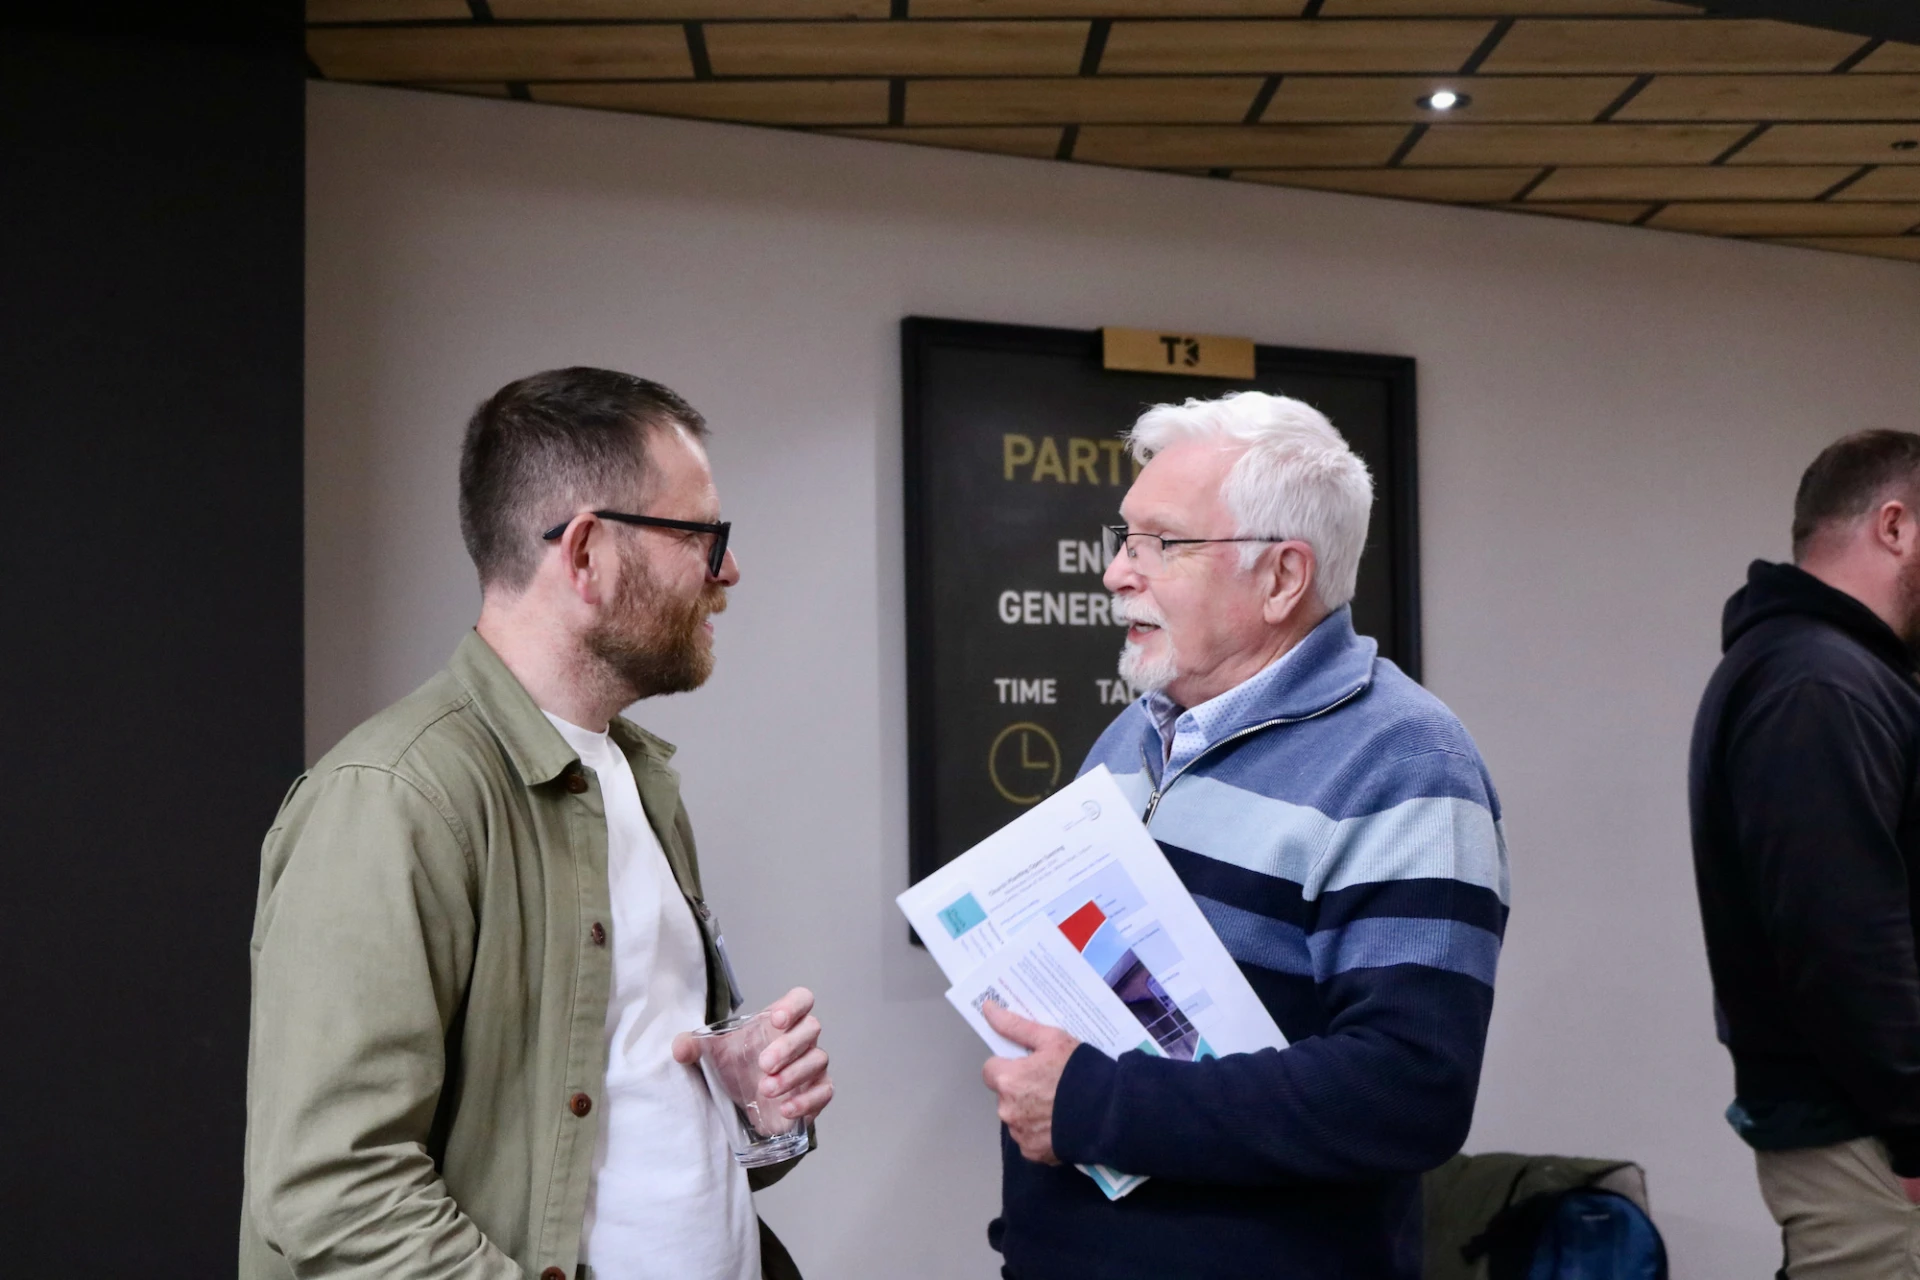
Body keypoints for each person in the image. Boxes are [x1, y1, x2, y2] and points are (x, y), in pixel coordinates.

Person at [241, 368, 833, 1280]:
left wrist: (742, 1101)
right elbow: (335, 1188)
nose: (728, 569)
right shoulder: (393, 798)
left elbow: (602, 1100)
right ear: (588, 552)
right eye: (702, 535)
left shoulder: (638, 777)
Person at [979, 391, 1509, 1279]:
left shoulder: (1408, 761)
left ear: (1282, 578)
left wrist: (1094, 1107)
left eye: (1162, 544)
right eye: (1125, 539)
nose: (1117, 573)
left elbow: (1409, 1091)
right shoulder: (1133, 736)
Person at [1689, 429, 1920, 1279]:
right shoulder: (1817, 682)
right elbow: (1843, 939)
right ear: (1893, 526)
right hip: (1868, 1145)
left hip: (1868, 1129)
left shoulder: (1833, 671)